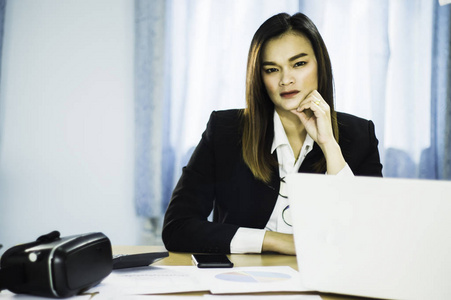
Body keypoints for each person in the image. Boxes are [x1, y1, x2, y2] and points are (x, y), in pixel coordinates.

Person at [162, 12, 383, 255]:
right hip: (242, 279)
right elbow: (177, 228)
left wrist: (329, 144)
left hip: (324, 277)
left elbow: (370, 233)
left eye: (299, 64)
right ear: (259, 76)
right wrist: (276, 241)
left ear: (320, 65)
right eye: (271, 69)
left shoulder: (360, 134)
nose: (286, 80)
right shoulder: (224, 129)